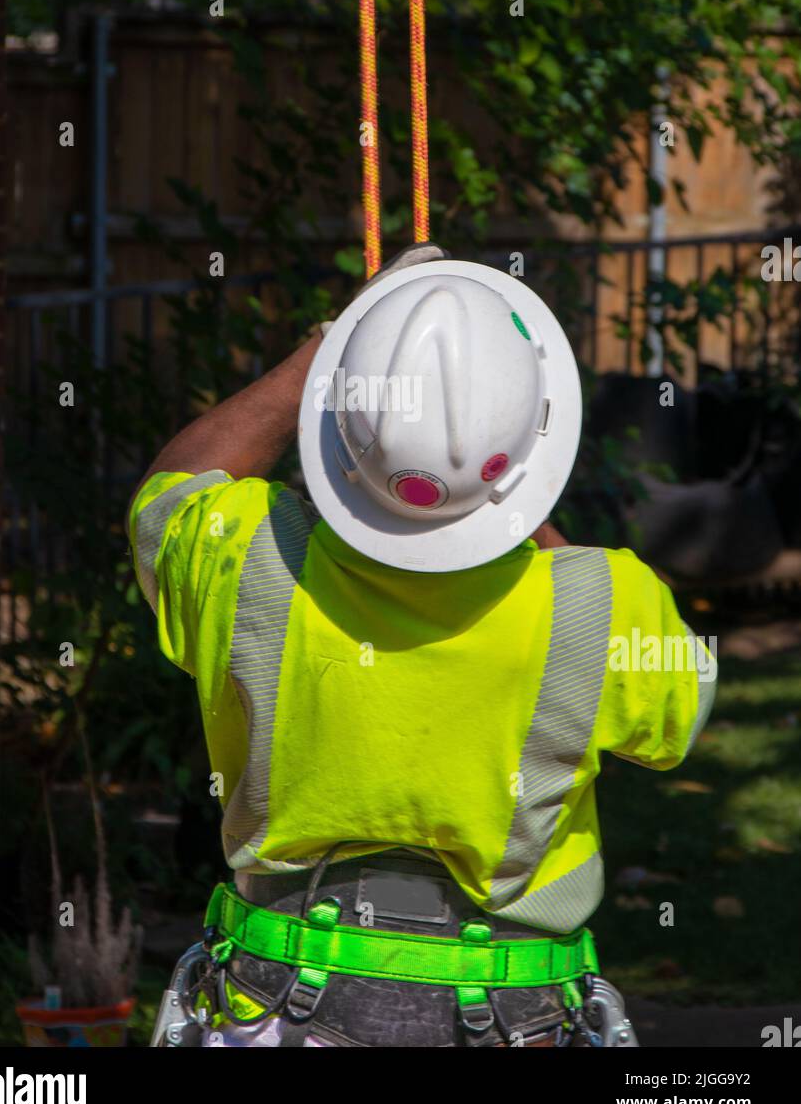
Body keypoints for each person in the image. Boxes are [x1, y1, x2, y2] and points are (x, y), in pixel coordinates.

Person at [130, 246, 717, 1048]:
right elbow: (677, 721)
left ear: (341, 422)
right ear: (534, 441)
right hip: (517, 1021)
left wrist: (330, 348)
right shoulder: (603, 602)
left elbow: (172, 491)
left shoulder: (248, 555)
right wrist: (510, 505)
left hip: (274, 1010)